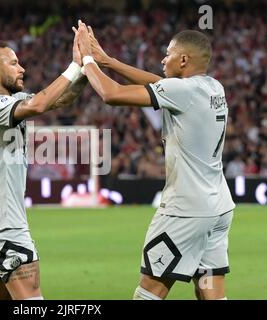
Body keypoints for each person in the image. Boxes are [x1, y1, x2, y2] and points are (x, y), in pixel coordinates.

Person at [75, 20, 235, 300]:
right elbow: (160, 84)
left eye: (168, 53)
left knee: (149, 291)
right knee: (211, 292)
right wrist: (108, 61)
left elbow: (111, 95)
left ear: (183, 59)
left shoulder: (184, 92)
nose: (163, 58)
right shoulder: (213, 87)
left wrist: (87, 59)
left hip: (185, 209)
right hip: (218, 207)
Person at [0, 36, 87, 300]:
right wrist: (74, 65)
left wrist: (88, 67)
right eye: (14, 63)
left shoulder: (13, 100)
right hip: (2, 223)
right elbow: (39, 104)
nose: (22, 69)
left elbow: (62, 98)